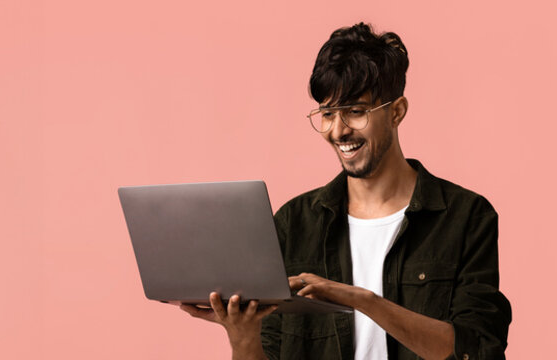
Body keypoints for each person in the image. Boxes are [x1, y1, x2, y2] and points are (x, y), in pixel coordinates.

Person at [180, 22, 512, 360]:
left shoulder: (466, 217)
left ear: (396, 112)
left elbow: (477, 348)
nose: (338, 131)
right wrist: (242, 335)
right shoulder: (294, 223)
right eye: (327, 113)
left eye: (355, 112)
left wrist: (363, 301)